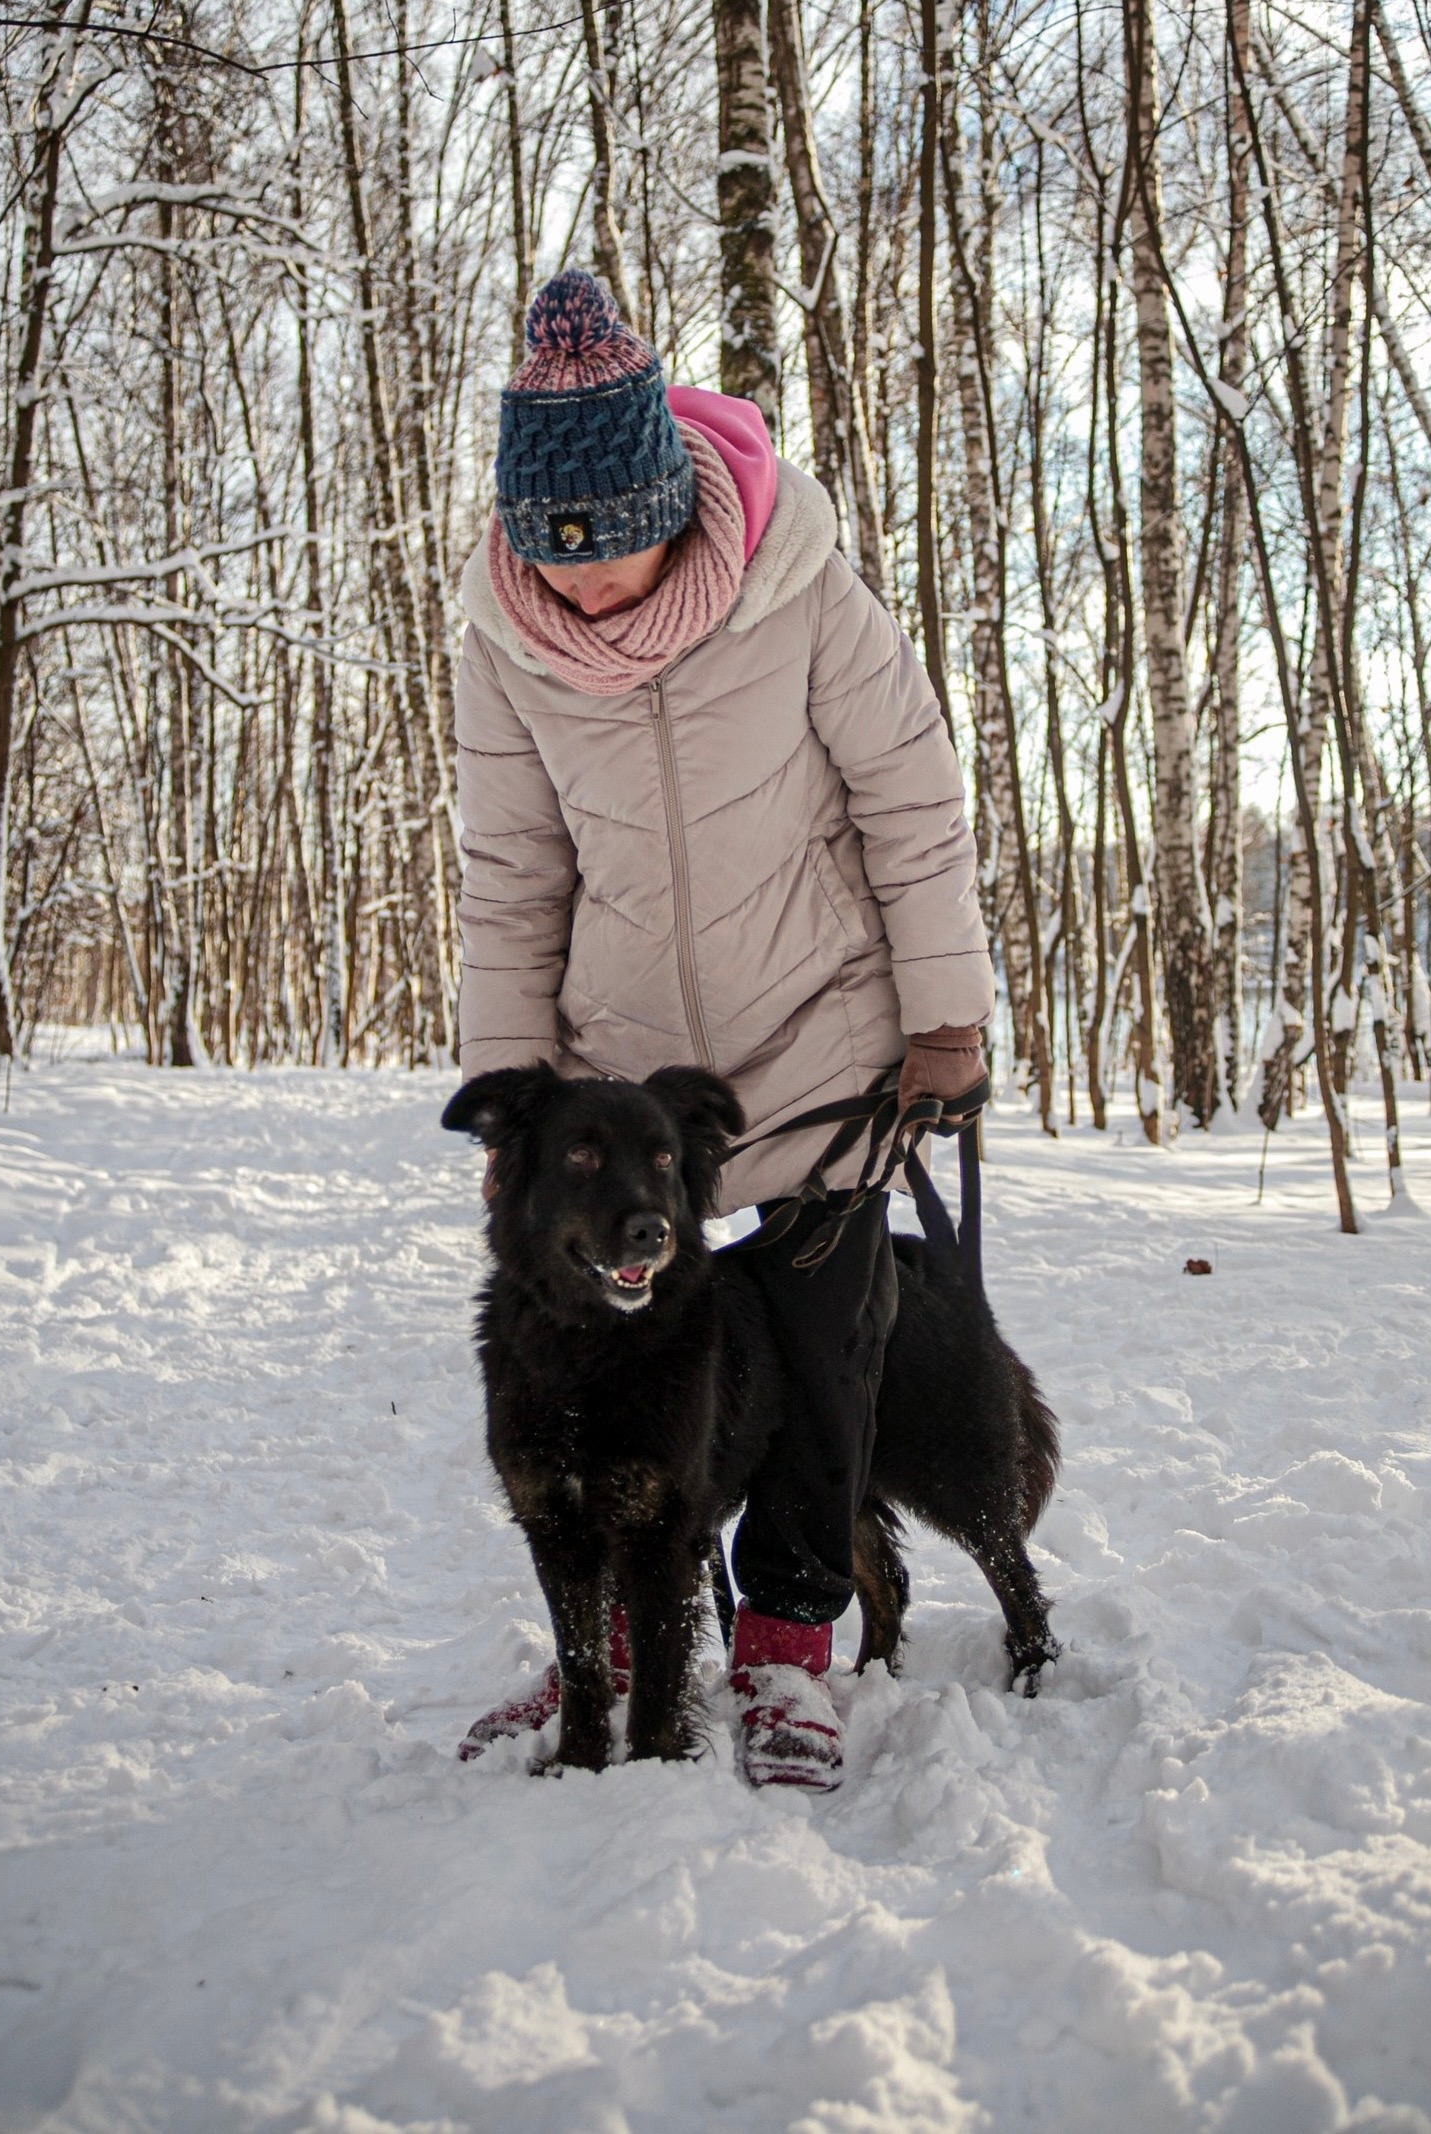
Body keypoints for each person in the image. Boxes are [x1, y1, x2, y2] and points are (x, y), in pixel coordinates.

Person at [453, 269, 994, 1789]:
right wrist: (511, 1107)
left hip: (821, 1046)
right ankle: (622, 1643)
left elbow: (911, 799)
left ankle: (784, 1651)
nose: (581, 587)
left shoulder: (798, 584)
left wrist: (945, 1018)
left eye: (608, 552)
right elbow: (512, 874)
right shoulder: (503, 639)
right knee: (607, 1375)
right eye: (552, 556)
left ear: (669, 510)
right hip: (631, 1091)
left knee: (825, 1364)